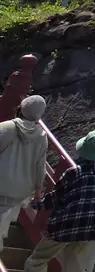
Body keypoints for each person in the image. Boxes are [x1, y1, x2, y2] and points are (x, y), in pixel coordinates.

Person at [24, 130, 95, 272]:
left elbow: (55, 198)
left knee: (38, 260)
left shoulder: (74, 172)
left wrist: (35, 204)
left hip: (66, 225)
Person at [0, 96, 48, 246]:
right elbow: (40, 166)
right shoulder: (41, 136)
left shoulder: (5, 127)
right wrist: (38, 190)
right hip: (20, 190)